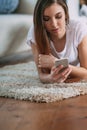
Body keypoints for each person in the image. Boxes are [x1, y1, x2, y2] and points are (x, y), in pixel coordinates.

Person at [27, 0, 87, 83]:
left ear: (65, 14)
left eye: (58, 16)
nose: (54, 24)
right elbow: (41, 76)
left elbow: (85, 73)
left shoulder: (78, 29)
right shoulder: (35, 32)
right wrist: (50, 78)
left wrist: (56, 63)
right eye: (46, 19)